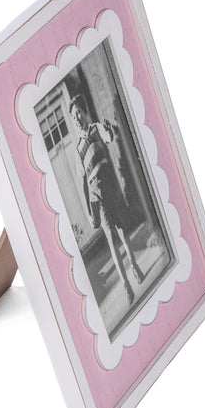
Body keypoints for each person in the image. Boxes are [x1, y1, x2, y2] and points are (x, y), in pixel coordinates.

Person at [69, 94, 145, 304]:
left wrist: (109, 130)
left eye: (79, 114)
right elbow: (83, 183)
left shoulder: (96, 129)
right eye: (74, 118)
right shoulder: (78, 150)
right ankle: (126, 285)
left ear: (84, 112)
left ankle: (134, 265)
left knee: (121, 230)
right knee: (111, 238)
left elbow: (109, 137)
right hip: (97, 198)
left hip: (110, 187)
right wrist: (88, 210)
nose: (77, 119)